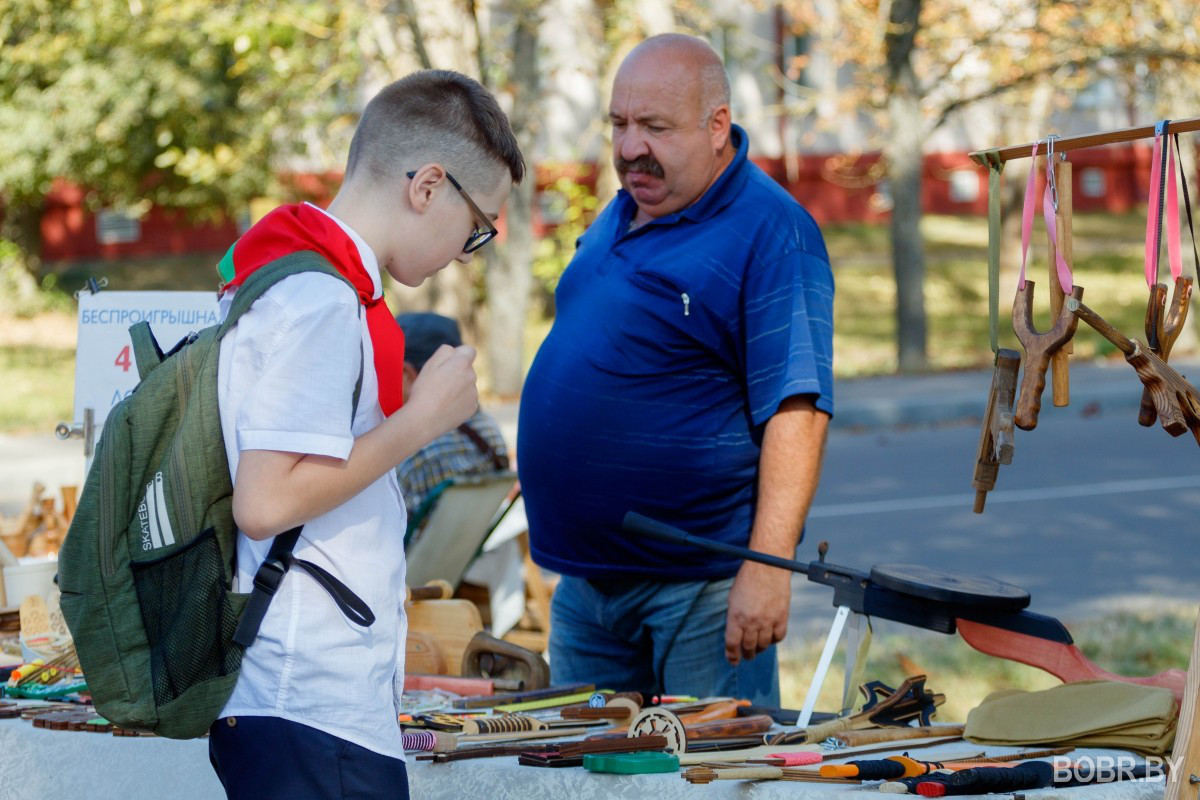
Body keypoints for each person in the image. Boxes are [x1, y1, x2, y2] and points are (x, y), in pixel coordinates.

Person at [209, 70, 523, 799]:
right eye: (477, 226)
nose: (467, 250)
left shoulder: (300, 277)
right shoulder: (320, 300)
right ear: (428, 187)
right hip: (309, 698)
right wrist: (422, 421)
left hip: (302, 698)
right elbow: (264, 500)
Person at [517, 34, 833, 707]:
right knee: (584, 779)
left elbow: (797, 408)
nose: (631, 148)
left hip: (701, 592)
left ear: (717, 126)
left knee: (711, 777)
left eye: (654, 128)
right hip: (589, 588)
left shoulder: (772, 230)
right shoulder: (624, 209)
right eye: (619, 125)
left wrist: (767, 570)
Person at [395, 311, 510, 520]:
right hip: (472, 550)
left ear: (406, 373)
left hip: (418, 553)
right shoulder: (488, 428)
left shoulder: (413, 451)